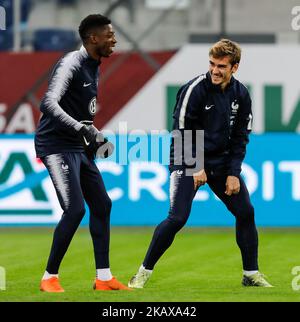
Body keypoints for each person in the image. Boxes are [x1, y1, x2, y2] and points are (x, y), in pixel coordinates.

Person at [128, 39, 273, 288]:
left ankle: (250, 274)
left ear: (234, 68)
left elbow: (240, 137)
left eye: (222, 66)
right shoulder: (194, 89)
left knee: (246, 212)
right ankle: (142, 273)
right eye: (212, 64)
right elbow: (181, 131)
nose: (215, 71)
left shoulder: (241, 94)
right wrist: (196, 167)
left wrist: (233, 173)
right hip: (186, 159)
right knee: (177, 218)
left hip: (220, 161)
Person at [35, 14, 131, 292]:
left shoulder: (93, 66)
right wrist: (83, 129)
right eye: (109, 35)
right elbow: (47, 103)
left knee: (102, 204)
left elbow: (81, 114)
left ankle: (103, 279)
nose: (114, 40)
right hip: (54, 145)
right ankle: (49, 278)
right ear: (93, 39)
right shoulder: (71, 63)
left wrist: (95, 135)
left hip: (76, 145)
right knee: (75, 209)